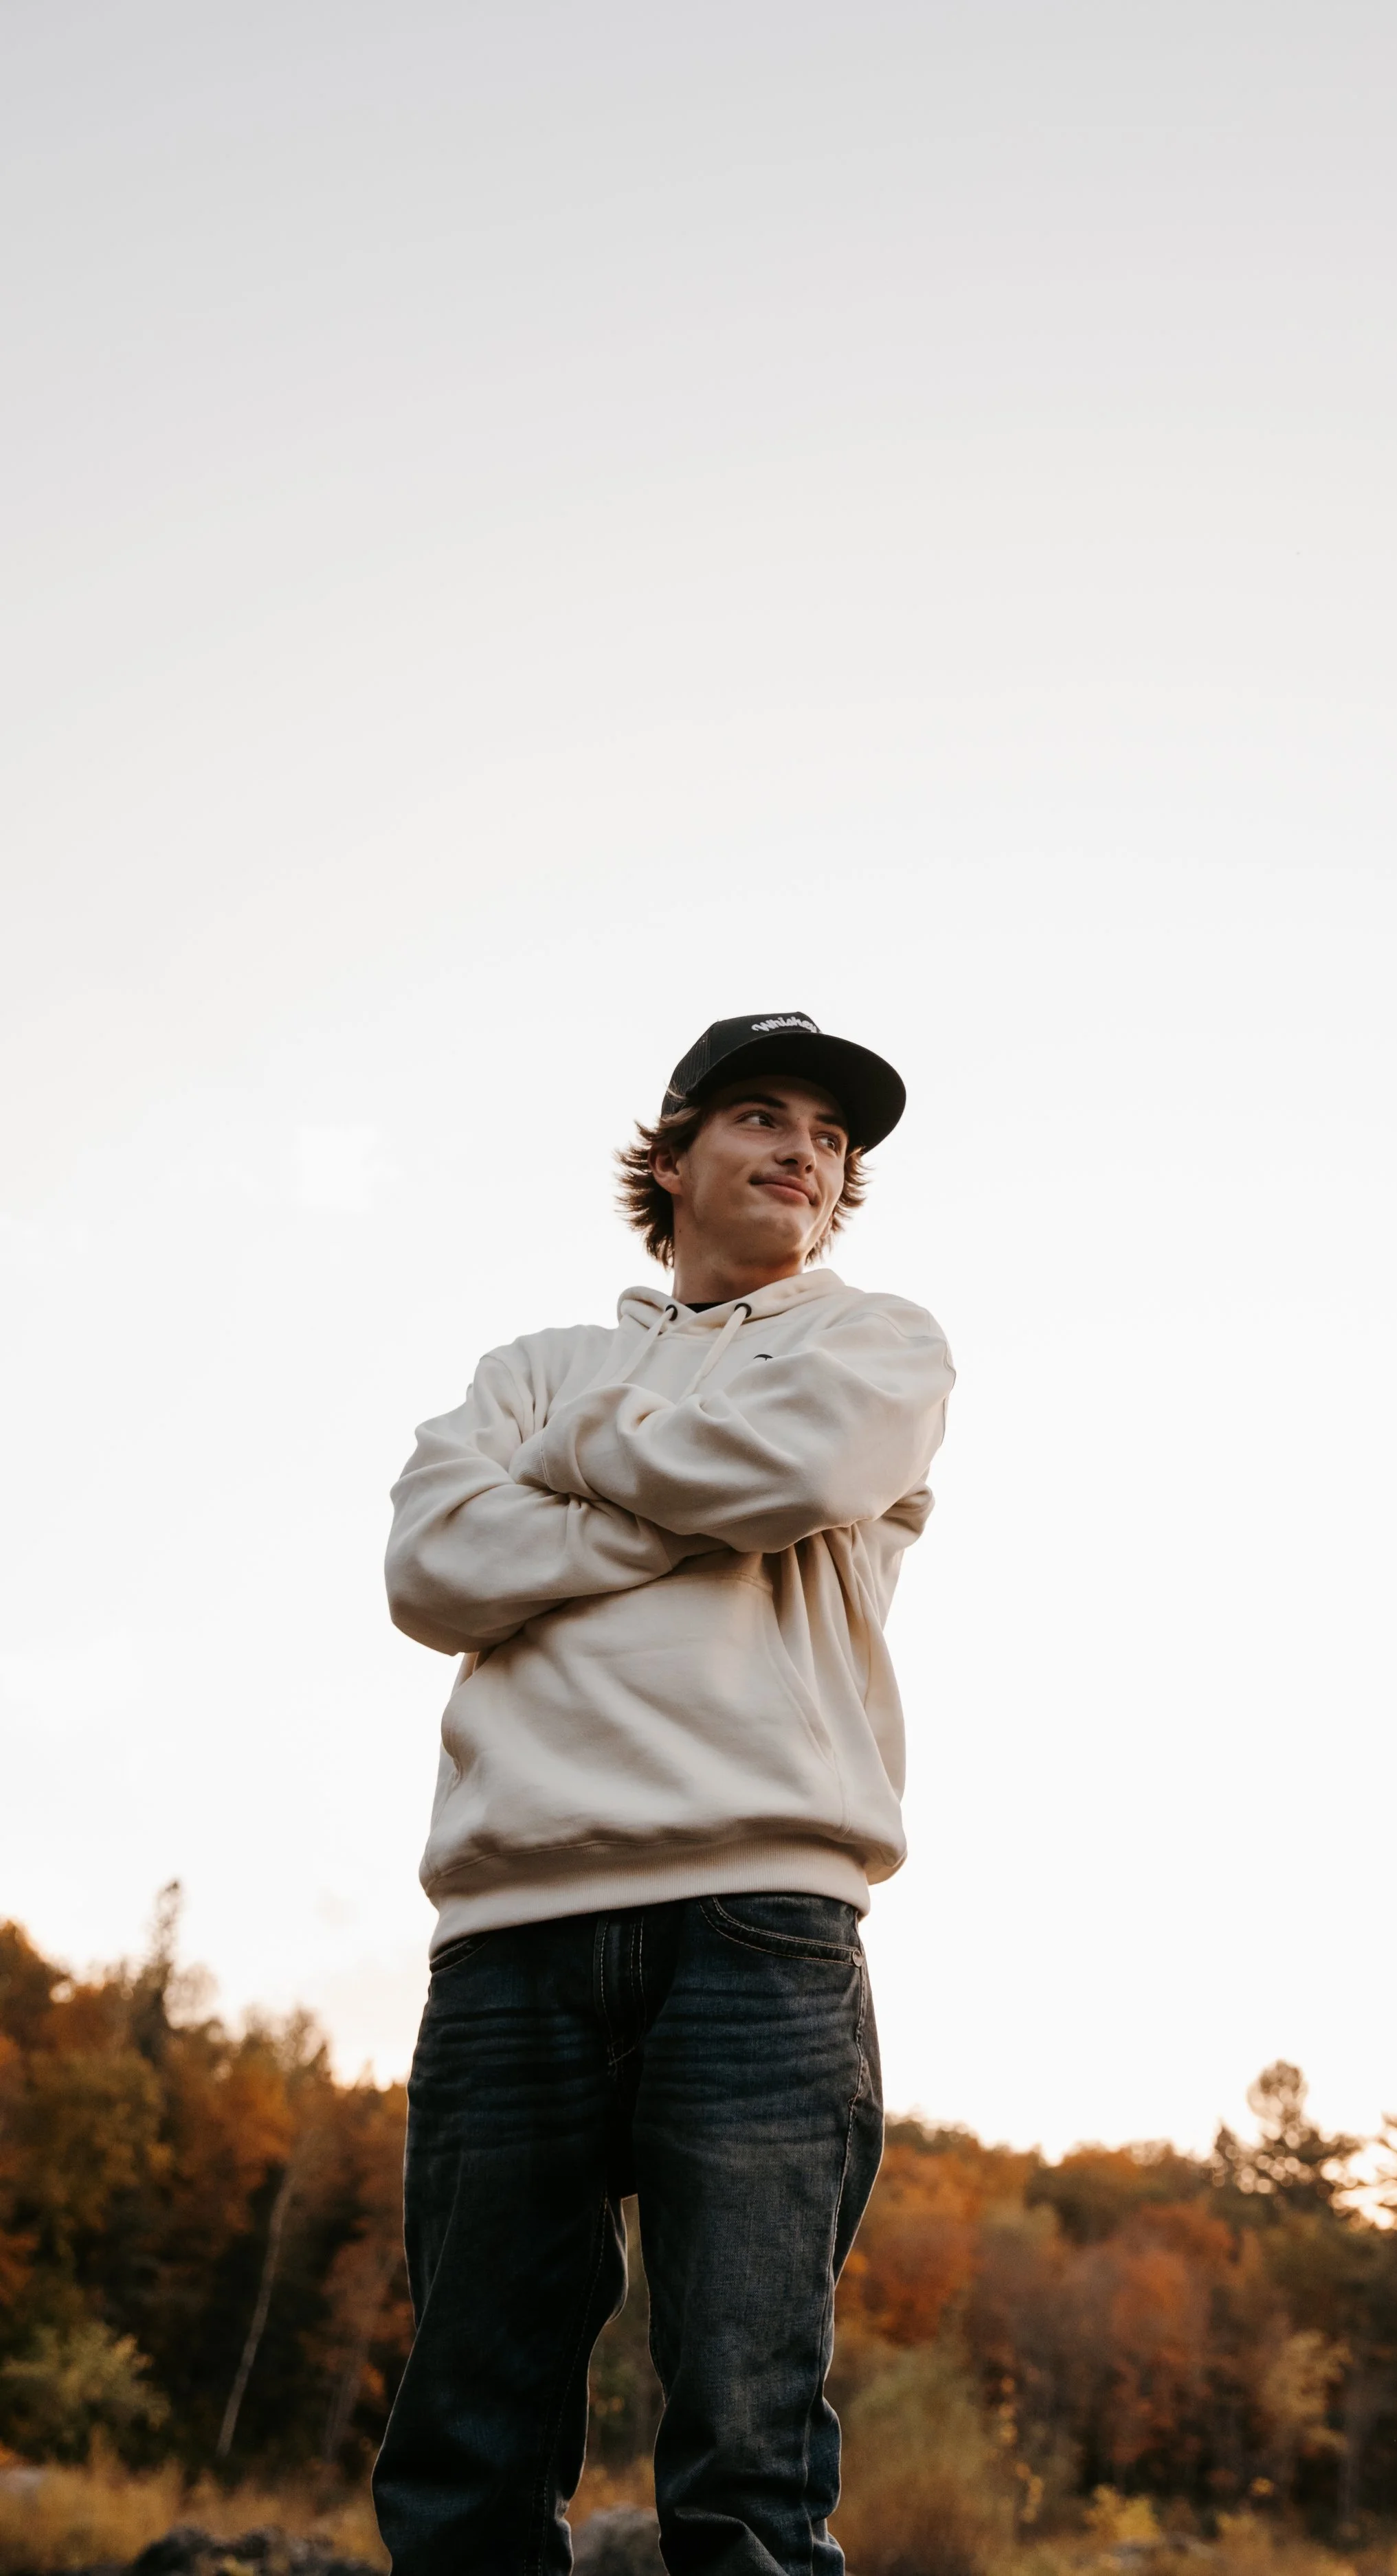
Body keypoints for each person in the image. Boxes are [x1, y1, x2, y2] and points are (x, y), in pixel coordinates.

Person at [372, 1013, 955, 2576]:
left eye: (831, 1138)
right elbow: (432, 1567)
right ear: (675, 1158)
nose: (802, 1151)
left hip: (763, 1921)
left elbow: (795, 1477)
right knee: (467, 2448)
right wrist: (687, 1500)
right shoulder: (535, 1366)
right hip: (511, 1931)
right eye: (761, 1116)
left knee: (746, 2461)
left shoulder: (877, 1346)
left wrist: (565, 1469)